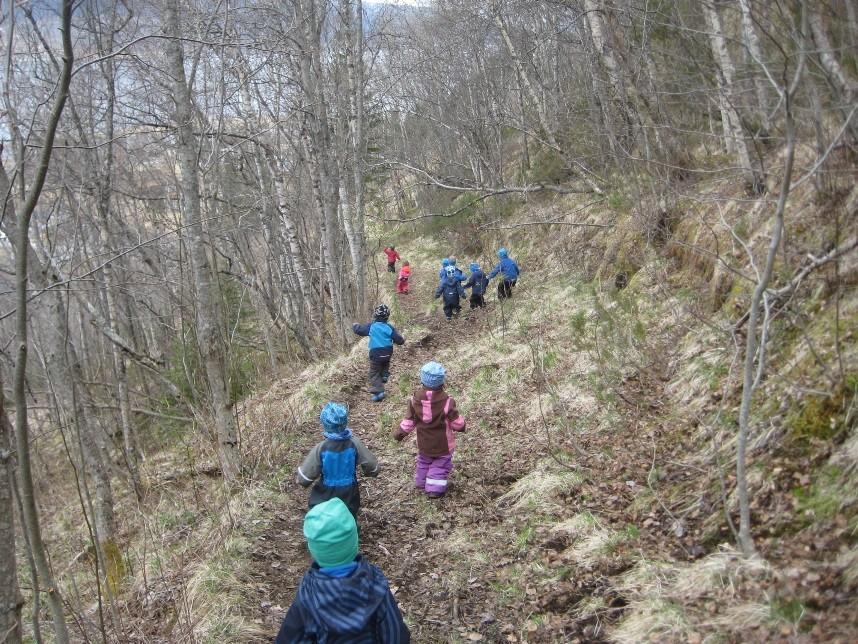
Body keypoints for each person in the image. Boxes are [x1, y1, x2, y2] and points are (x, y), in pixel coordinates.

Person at [274, 498, 411, 643]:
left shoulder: (308, 592)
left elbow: (291, 637)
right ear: (354, 541)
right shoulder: (375, 581)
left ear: (313, 550)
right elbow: (394, 633)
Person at [393, 362, 466, 498]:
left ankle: (421, 482)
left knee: (424, 462)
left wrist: (400, 433)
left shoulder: (414, 400)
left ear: (422, 379)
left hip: (424, 443)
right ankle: (434, 488)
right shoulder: (447, 401)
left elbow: (409, 421)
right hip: (443, 445)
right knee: (440, 465)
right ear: (441, 381)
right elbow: (456, 422)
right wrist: (462, 425)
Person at [296, 402, 379, 518]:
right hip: (349, 491)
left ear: (325, 424)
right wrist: (371, 472)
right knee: (349, 514)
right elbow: (372, 465)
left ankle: (321, 532)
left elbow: (305, 477)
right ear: (345, 422)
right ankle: (350, 533)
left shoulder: (321, 448)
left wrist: (302, 480)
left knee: (320, 513)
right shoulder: (354, 443)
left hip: (325, 492)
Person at [352, 304, 405, 401]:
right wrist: (402, 339)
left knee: (374, 373)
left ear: (375, 316)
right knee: (385, 362)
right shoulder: (389, 327)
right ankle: (384, 375)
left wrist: (355, 326)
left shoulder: (372, 326)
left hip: (376, 354)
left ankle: (379, 392)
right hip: (388, 353)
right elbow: (399, 340)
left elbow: (360, 330)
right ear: (387, 317)